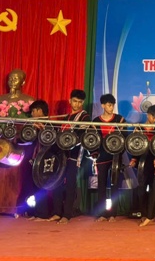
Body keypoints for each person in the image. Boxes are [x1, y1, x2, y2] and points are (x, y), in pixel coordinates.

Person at [52, 89, 89, 224]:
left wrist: (70, 143)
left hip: (74, 154)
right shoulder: (66, 117)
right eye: (75, 101)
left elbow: (82, 135)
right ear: (70, 101)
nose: (77, 104)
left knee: (70, 184)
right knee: (57, 182)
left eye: (80, 102)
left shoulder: (84, 117)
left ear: (82, 103)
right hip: (61, 154)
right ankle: (57, 212)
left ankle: (67, 215)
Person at [91, 93, 125, 222]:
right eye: (109, 105)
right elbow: (92, 140)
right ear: (103, 105)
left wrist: (120, 152)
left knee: (115, 184)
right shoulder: (96, 121)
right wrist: (94, 153)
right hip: (102, 155)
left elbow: (125, 138)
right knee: (101, 185)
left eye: (113, 105)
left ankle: (113, 214)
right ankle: (102, 214)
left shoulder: (120, 120)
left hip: (116, 155)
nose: (111, 108)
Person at [129, 104, 155, 221]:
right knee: (141, 187)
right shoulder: (139, 128)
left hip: (154, 163)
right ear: (148, 115)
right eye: (153, 116)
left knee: (153, 188)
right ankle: (143, 213)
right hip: (142, 161)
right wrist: (134, 159)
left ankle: (151, 213)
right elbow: (134, 145)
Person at [27, 99, 52, 221]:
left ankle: (43, 214)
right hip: (34, 159)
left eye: (33, 111)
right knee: (34, 186)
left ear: (40, 111)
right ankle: (36, 212)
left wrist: (42, 129)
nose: (32, 114)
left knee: (42, 186)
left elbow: (50, 140)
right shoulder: (33, 125)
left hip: (45, 159)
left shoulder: (50, 124)